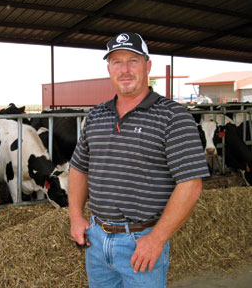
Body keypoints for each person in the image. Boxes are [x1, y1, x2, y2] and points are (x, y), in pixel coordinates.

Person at [68, 32, 210, 288]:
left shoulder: (173, 117)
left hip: (141, 241)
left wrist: (157, 239)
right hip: (96, 238)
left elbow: (191, 184)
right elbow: (79, 168)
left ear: (148, 65)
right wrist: (76, 217)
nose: (125, 69)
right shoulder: (96, 115)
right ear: (109, 68)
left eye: (133, 60)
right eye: (117, 62)